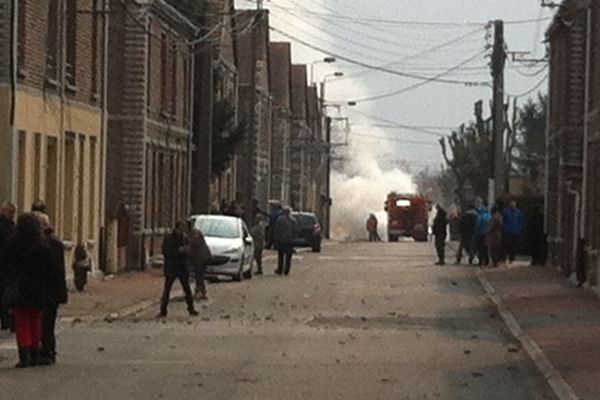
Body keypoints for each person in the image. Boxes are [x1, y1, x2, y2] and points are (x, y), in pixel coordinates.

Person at [3, 213, 53, 368]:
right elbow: (49, 270)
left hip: (20, 289)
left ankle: (24, 357)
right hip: (38, 289)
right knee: (35, 321)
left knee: (22, 322)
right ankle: (34, 354)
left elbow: (6, 264)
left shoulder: (13, 242)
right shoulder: (42, 245)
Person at [36, 213, 68, 366]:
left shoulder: (48, 244)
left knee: (47, 322)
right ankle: (48, 350)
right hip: (53, 290)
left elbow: (50, 269)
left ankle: (47, 351)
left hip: (48, 290)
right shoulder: (55, 242)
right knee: (48, 322)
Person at [157, 221, 198, 318]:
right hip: (172, 266)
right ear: (176, 228)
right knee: (167, 289)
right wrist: (178, 251)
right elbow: (166, 252)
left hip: (182, 267)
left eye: (184, 229)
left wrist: (187, 253)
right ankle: (163, 311)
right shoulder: (169, 238)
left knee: (187, 289)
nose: (183, 230)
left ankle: (191, 308)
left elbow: (189, 251)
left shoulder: (185, 238)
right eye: (181, 228)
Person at [0, 202, 16, 331]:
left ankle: (5, 318)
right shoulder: (10, 228)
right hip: (7, 266)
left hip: (5, 265)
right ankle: (7, 319)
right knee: (6, 293)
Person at [186, 220, 212, 300]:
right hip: (197, 257)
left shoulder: (195, 233)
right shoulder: (191, 233)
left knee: (199, 274)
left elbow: (192, 243)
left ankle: (199, 292)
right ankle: (202, 292)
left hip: (201, 257)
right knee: (199, 274)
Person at [273, 208, 297, 276]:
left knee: (280, 256)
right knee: (288, 257)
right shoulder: (293, 221)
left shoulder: (280, 220)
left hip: (281, 240)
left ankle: (280, 269)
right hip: (289, 241)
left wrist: (276, 238)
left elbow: (277, 230)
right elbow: (295, 230)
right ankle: (286, 270)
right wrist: (293, 238)